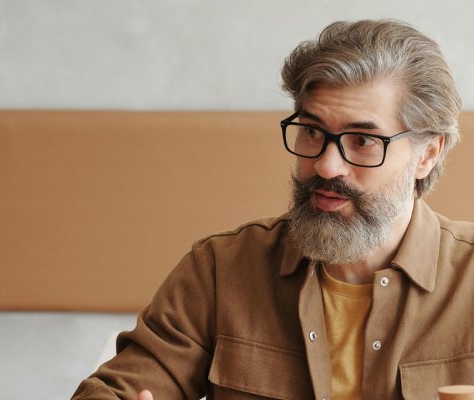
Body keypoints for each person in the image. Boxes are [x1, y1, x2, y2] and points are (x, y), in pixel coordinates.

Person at [72, 19, 472, 399]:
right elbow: (118, 388)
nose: (326, 166)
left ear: (427, 155)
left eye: (362, 141)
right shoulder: (222, 268)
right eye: (312, 132)